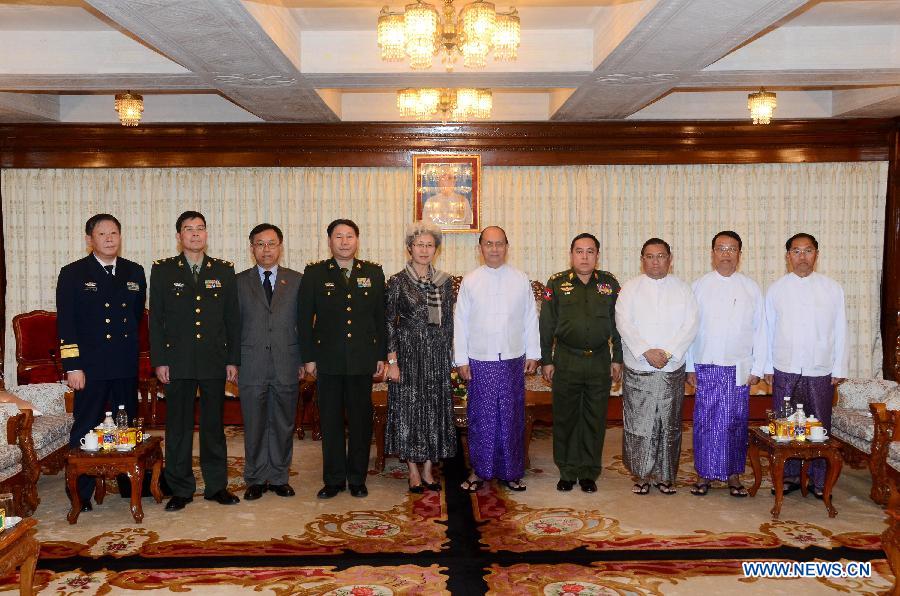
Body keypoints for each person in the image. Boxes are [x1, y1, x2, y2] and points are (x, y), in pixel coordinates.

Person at [149, 210, 241, 511]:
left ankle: (217, 486)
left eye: (201, 228)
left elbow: (232, 319)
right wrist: (160, 360)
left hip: (214, 360)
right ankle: (181, 488)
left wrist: (233, 359)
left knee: (214, 426)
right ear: (179, 237)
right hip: (177, 361)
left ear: (206, 234)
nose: (195, 234)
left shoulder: (223, 270)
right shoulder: (163, 271)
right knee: (178, 427)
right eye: (189, 229)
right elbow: (157, 321)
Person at [57, 213, 146, 512]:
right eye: (102, 234)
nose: (109, 239)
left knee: (126, 425)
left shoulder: (135, 271)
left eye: (114, 233)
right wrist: (72, 366)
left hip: (123, 362)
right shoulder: (72, 273)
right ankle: (79, 493)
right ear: (89, 240)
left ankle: (127, 483)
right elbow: (66, 325)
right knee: (86, 425)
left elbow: (134, 319)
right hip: (90, 367)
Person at [299, 219, 387, 499]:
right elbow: (303, 320)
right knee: (331, 421)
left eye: (350, 236)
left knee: (361, 421)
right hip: (328, 360)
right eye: (339, 236)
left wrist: (381, 356)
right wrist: (308, 357)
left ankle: (358, 478)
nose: (345, 241)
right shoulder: (314, 273)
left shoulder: (373, 272)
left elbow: (380, 319)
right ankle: (334, 479)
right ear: (329, 241)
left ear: (357, 240)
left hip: (362, 359)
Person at [454, 226, 540, 492]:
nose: (494, 249)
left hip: (513, 358)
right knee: (482, 417)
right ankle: (480, 471)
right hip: (480, 360)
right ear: (480, 248)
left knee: (511, 417)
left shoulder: (520, 278)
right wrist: (461, 360)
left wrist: (534, 354)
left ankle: (511, 472)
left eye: (499, 244)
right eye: (489, 244)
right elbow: (460, 322)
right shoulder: (470, 280)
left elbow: (530, 319)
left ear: (507, 246)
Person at [764, 232, 848, 498]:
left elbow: (841, 330)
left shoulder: (832, 288)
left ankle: (819, 480)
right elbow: (767, 331)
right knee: (786, 426)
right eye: (796, 251)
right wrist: (766, 366)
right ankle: (787, 476)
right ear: (788, 256)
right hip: (785, 366)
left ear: (816, 255)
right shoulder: (776, 289)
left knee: (819, 427)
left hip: (819, 368)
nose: (802, 256)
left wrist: (839, 368)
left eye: (808, 250)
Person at [539, 233, 623, 493]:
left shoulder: (609, 284)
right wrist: (547, 360)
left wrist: (617, 357)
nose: (584, 256)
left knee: (594, 418)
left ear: (597, 255)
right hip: (566, 359)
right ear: (571, 254)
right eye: (579, 251)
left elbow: (619, 324)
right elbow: (546, 326)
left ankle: (588, 472)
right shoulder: (556, 283)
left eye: (590, 251)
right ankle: (567, 470)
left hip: (598, 360)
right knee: (565, 417)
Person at [615, 238, 699, 496]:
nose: (655, 261)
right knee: (640, 424)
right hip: (639, 366)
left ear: (670, 259)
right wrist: (646, 351)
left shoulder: (683, 289)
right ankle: (641, 474)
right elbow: (623, 322)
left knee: (669, 423)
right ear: (642, 260)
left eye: (660, 256)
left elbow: (690, 325)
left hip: (670, 368)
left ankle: (666, 476)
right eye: (650, 256)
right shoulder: (630, 288)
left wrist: (668, 352)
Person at [686, 231, 766, 498]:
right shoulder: (698, 286)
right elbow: (688, 330)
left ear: (740, 255)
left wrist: (757, 368)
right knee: (705, 421)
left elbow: (760, 331)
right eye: (721, 248)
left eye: (732, 249)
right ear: (712, 253)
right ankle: (704, 474)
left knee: (735, 421)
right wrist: (689, 367)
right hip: (706, 364)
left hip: (738, 367)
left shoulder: (751, 288)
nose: (726, 254)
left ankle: (733, 475)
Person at [384, 221, 457, 493]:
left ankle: (428, 469)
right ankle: (412, 470)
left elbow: (448, 321)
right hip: (408, 352)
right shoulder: (397, 281)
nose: (424, 250)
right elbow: (390, 321)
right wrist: (392, 361)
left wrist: (450, 355)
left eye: (429, 245)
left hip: (437, 353)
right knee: (410, 409)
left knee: (433, 408)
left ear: (435, 249)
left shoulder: (445, 281)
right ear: (409, 249)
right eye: (419, 245)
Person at [236, 223, 303, 501]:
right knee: (254, 423)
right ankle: (254, 477)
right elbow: (231, 326)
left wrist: (304, 360)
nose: (266, 249)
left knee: (283, 422)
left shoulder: (298, 280)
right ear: (252, 248)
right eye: (260, 244)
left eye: (271, 243)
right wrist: (232, 362)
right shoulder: (238, 282)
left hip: (287, 361)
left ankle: (278, 477)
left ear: (281, 246)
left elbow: (306, 325)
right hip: (250, 363)